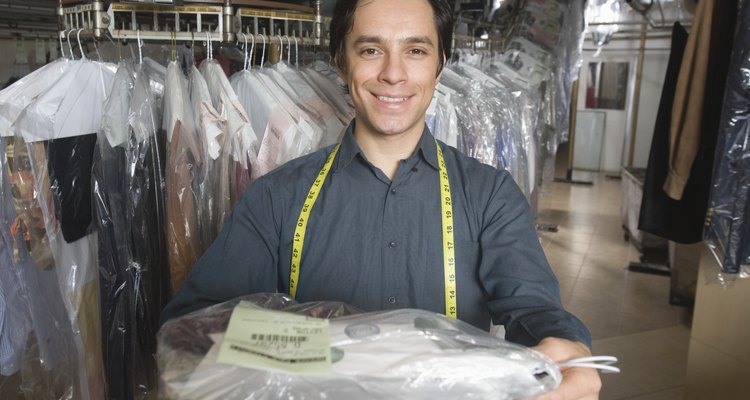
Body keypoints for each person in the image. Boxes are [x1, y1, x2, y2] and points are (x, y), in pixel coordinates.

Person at [162, 0, 601, 398]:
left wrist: (567, 346)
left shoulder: (489, 195)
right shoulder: (276, 197)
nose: (394, 73)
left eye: (416, 50)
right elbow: (194, 327)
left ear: (440, 65)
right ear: (340, 61)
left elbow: (534, 309)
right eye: (371, 50)